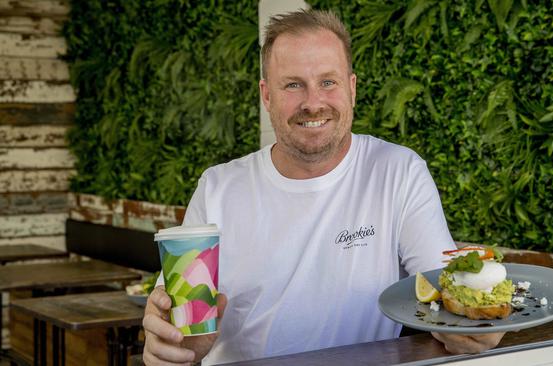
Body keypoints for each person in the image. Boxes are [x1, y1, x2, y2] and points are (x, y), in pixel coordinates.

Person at [142, 9, 504, 365]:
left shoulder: (398, 172)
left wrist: (471, 327)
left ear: (351, 88)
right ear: (267, 95)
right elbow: (179, 322)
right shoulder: (217, 188)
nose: (313, 102)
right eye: (293, 84)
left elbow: (445, 294)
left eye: (327, 82)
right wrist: (176, 349)